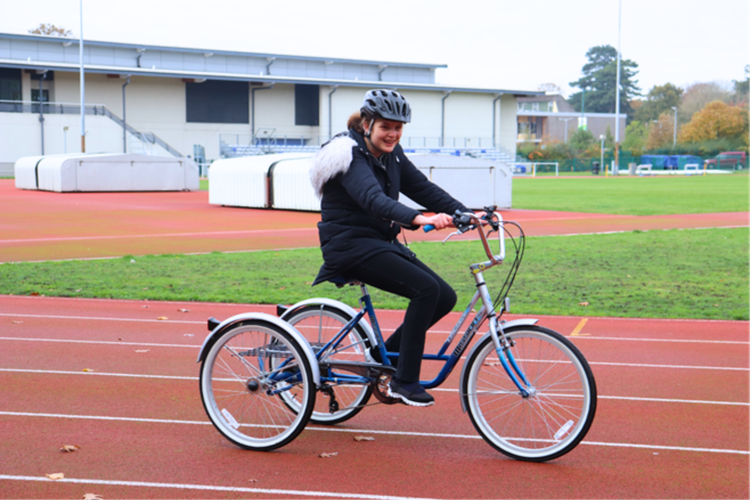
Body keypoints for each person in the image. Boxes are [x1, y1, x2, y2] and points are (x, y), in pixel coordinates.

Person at [309, 89, 474, 407]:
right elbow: (373, 199)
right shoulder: (348, 154)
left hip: (379, 242)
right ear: (367, 123)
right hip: (349, 245)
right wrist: (416, 218)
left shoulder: (392, 155)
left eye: (399, 127)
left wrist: (464, 213)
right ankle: (404, 381)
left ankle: (377, 359)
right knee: (425, 289)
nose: (393, 133)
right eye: (386, 126)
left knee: (445, 296)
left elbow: (423, 187)